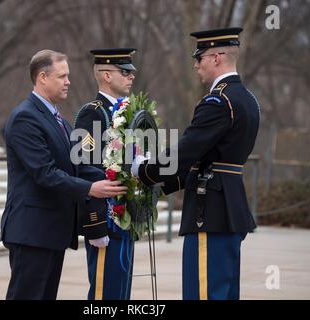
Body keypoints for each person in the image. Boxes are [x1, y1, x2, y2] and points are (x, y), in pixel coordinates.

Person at [132, 28, 260, 300]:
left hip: (210, 211)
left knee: (202, 293)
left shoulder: (218, 101)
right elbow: (208, 159)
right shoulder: (249, 101)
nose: (195, 64)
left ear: (216, 57)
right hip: (230, 208)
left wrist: (144, 169)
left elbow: (186, 152)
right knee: (224, 293)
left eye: (199, 58)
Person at [0, 50, 127, 300]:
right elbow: (45, 173)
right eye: (62, 76)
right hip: (32, 232)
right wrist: (90, 189)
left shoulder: (57, 118)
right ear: (43, 77)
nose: (68, 81)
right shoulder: (25, 118)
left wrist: (119, 175)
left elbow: (76, 165)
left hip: (51, 231)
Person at [74, 48, 137, 300]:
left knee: (121, 289)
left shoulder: (129, 111)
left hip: (126, 213)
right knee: (104, 290)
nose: (132, 76)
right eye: (125, 72)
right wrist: (95, 223)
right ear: (107, 75)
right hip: (106, 216)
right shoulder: (92, 112)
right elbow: (84, 166)